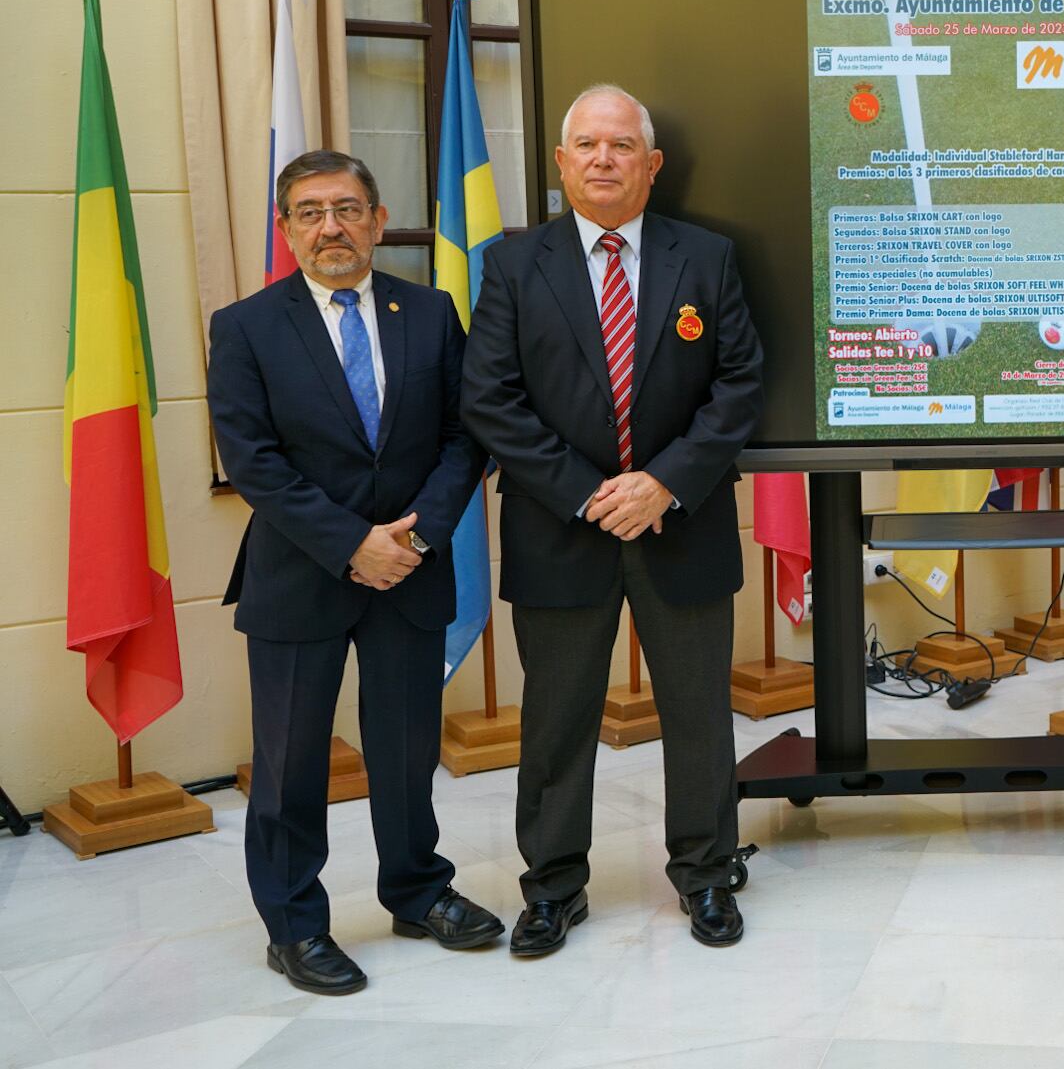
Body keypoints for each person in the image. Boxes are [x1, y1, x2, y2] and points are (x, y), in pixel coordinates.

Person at [461, 84, 764, 956]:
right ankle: (553, 887)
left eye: (621, 145)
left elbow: (738, 385)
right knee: (556, 720)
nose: (602, 159)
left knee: (700, 714)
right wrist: (593, 492)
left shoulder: (706, 257)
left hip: (684, 523)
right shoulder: (515, 265)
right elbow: (491, 399)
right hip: (563, 530)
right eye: (586, 145)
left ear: (652, 163)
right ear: (560, 163)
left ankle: (706, 875)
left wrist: (664, 483)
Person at [207, 149, 504, 996]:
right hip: (300, 575)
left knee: (407, 748)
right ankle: (295, 925)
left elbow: (464, 435)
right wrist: (352, 544)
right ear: (287, 229)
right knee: (292, 760)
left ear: (378, 220)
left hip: (411, 570)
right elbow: (253, 463)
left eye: (346, 208)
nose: (330, 226)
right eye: (309, 211)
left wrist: (413, 538)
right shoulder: (246, 326)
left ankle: (417, 891)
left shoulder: (432, 310)